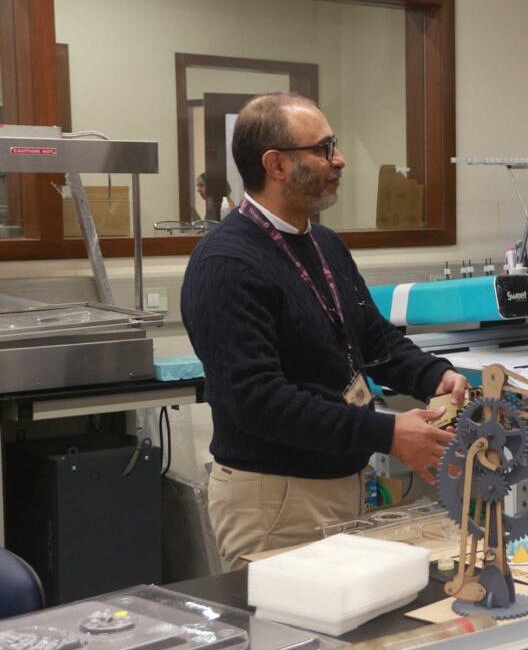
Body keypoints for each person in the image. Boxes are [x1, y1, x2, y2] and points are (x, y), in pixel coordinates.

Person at [182, 93, 468, 568]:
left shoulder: (324, 243)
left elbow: (371, 337)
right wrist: (386, 432)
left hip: (340, 482)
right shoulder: (226, 264)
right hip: (275, 500)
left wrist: (430, 374)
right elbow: (257, 400)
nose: (339, 160)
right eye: (323, 148)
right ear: (275, 164)